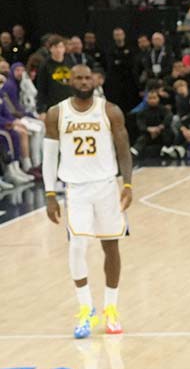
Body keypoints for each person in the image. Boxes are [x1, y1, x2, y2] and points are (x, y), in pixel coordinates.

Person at [43, 64, 132, 338]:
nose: (84, 82)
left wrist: (128, 184)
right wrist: (49, 193)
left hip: (106, 186)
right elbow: (49, 156)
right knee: (77, 245)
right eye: (78, 78)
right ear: (70, 82)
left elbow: (123, 150)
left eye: (87, 78)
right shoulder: (57, 113)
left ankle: (111, 308)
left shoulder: (110, 110)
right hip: (76, 189)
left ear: (94, 81)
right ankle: (85, 309)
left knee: (111, 247)